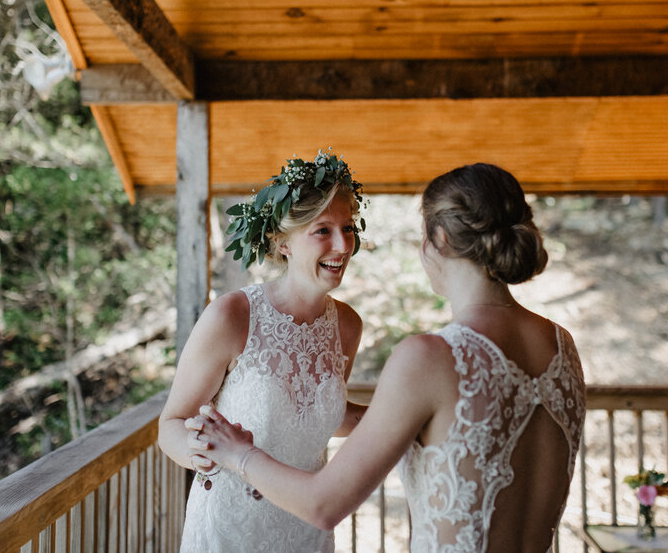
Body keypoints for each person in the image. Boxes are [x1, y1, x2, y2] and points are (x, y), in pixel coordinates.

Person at [189, 162, 586, 553]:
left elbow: (322, 505)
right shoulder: (561, 345)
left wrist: (239, 454)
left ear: (440, 238)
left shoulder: (429, 357)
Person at [157, 149, 367, 552]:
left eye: (348, 227)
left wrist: (407, 417)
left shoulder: (348, 326)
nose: (343, 245)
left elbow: (316, 415)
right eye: (323, 230)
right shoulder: (232, 315)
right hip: (232, 527)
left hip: (306, 525)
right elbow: (171, 424)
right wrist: (197, 451)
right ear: (282, 243)